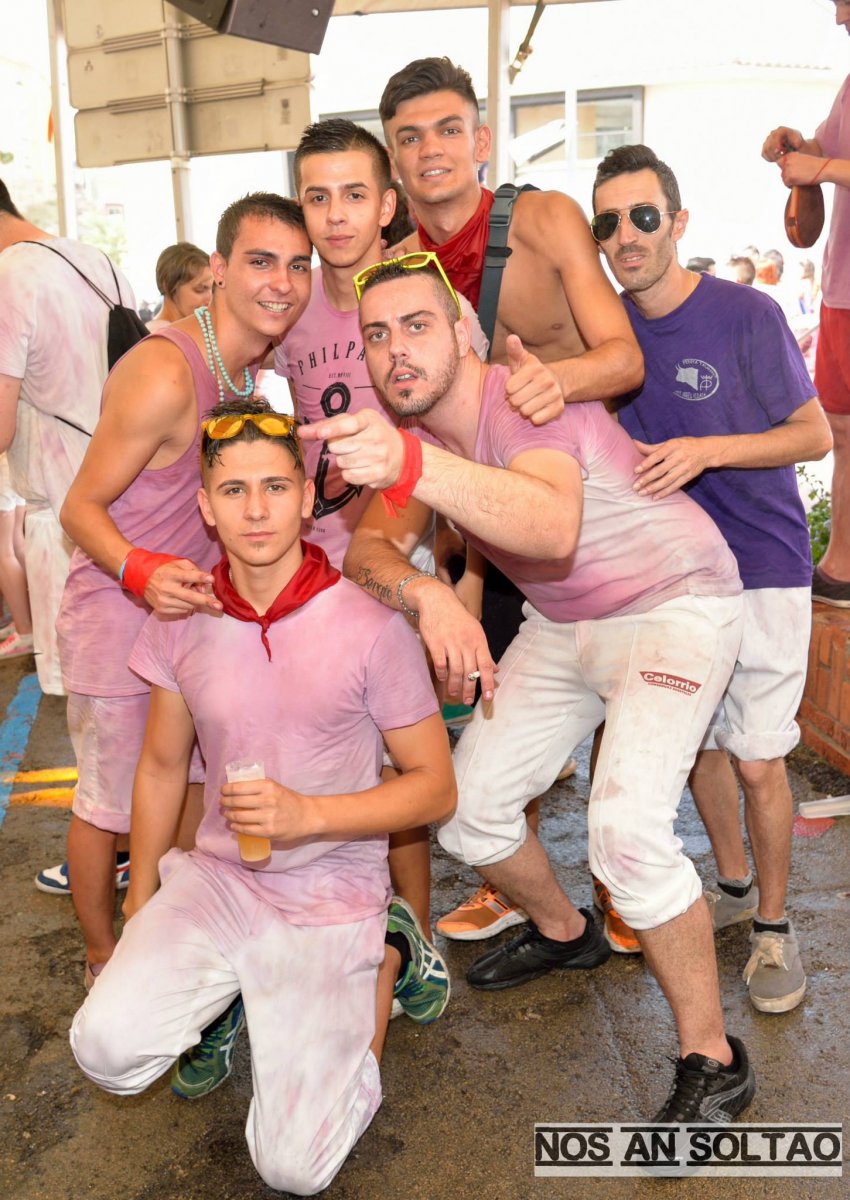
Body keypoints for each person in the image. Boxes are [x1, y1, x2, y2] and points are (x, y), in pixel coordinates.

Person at [307, 256, 756, 1124]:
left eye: (417, 326)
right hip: (564, 622)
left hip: (675, 602)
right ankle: (565, 932)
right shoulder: (421, 436)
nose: (397, 350)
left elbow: (551, 528)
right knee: (467, 809)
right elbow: (366, 552)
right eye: (377, 335)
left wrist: (407, 462)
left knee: (626, 837)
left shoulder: (519, 398)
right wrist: (430, 593)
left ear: (464, 333)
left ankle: (714, 1056)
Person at [70, 398, 454, 1195]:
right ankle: (237, 994)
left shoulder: (370, 625)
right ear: (205, 508)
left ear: (307, 499)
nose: (256, 510)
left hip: (330, 894)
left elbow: (434, 787)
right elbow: (162, 767)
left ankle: (386, 951)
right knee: (104, 1049)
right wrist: (140, 896)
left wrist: (311, 816)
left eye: (276, 487)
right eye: (234, 490)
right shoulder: (184, 619)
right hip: (220, 883)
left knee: (295, 1169)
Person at [379, 56, 644, 939]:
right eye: (410, 137)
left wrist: (553, 382)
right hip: (490, 518)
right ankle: (514, 880)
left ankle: (615, 881)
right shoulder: (396, 268)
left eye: (449, 129)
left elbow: (623, 357)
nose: (432, 150)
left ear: (482, 139)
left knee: (623, 688)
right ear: (394, 158)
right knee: (496, 683)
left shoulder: (543, 219)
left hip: (593, 498)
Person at [49, 195, 312, 994]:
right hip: (116, 615)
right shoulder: (165, 370)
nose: (282, 282)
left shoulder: (253, 371)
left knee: (190, 792)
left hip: (190, 622)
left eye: (297, 266)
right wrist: (139, 571)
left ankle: (176, 947)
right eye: (261, 262)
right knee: (110, 809)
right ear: (219, 269)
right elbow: (78, 507)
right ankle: (105, 959)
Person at [591, 144, 832, 1013]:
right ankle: (732, 883)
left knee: (759, 760)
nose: (626, 235)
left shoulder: (745, 313)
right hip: (672, 577)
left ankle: (774, 925)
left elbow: (814, 435)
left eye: (643, 215)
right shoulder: (606, 337)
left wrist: (706, 451)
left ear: (678, 221)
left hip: (763, 567)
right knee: (698, 745)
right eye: (608, 222)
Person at [278, 117, 488, 941]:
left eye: (354, 195)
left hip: (399, 564)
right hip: (313, 576)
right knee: (333, 759)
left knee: (408, 763)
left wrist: (463, 573)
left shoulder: (426, 299)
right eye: (317, 197)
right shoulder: (288, 309)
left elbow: (473, 431)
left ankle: (418, 937)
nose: (336, 215)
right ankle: (347, 924)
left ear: (387, 203)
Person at [0, 178, 135, 694]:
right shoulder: (96, 260)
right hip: (127, 501)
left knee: (93, 710)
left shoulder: (10, 276)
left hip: (63, 520)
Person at [763, 0, 850, 605]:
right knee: (840, 429)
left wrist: (819, 164)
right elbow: (828, 147)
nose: (839, 16)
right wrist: (801, 144)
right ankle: (841, 563)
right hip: (840, 287)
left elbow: (830, 163)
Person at [0, 450, 32, 659]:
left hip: (5, 463)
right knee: (16, 543)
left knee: (4, 552)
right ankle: (26, 619)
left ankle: (25, 631)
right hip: (14, 462)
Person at [146, 242, 213, 330]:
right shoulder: (161, 333)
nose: (210, 299)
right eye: (200, 289)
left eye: (213, 289)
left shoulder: (186, 327)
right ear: (168, 286)